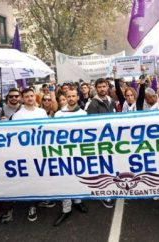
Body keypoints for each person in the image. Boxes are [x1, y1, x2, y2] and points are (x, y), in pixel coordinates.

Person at [12, 88, 56, 221]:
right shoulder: (17, 115)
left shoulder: (42, 112)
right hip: (26, 152)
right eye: (27, 96)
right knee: (29, 177)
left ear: (35, 97)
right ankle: (31, 205)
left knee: (42, 175)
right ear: (22, 98)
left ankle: (42, 198)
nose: (30, 98)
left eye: (32, 96)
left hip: (41, 150)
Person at [52, 89, 89, 226]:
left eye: (74, 96)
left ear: (77, 97)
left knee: (79, 176)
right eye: (69, 96)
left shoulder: (83, 113)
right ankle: (66, 209)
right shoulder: (58, 114)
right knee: (64, 179)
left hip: (78, 151)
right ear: (65, 98)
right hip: (63, 151)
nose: (71, 98)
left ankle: (78, 201)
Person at [87, 78, 116, 208]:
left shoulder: (111, 101)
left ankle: (110, 189)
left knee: (110, 166)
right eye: (99, 87)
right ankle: (105, 194)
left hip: (111, 140)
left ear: (107, 87)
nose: (102, 89)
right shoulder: (93, 104)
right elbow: (91, 126)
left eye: (104, 86)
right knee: (102, 168)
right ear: (96, 88)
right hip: (100, 142)